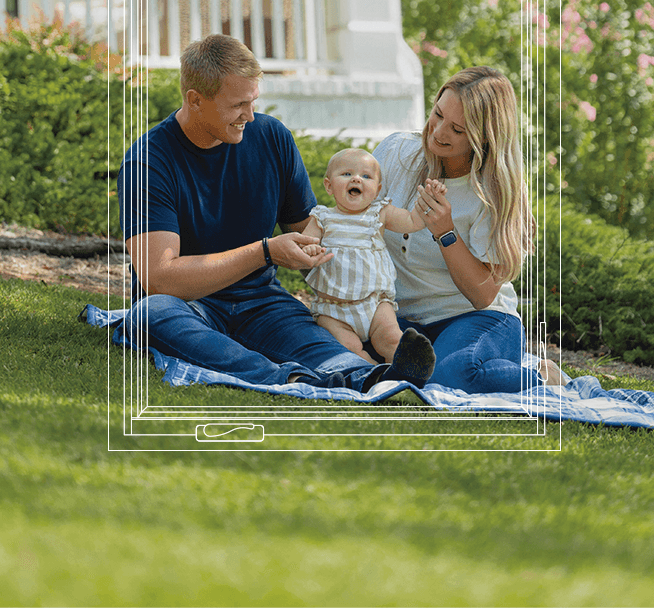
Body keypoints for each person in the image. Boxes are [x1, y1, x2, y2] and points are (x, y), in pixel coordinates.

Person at [116, 34, 435, 393]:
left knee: (324, 346)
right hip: (190, 307)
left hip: (263, 303)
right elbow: (159, 279)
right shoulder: (148, 163)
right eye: (238, 105)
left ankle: (371, 377)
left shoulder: (271, 138)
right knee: (151, 313)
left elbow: (307, 233)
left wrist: (353, 233)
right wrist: (264, 251)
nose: (249, 116)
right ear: (195, 100)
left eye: (253, 101)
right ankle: (286, 378)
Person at [372, 66, 568, 393]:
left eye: (458, 130)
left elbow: (483, 295)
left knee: (449, 378)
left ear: (484, 137)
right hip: (401, 320)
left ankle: (543, 376)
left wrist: (445, 232)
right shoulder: (396, 152)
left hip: (477, 320)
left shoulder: (495, 193)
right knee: (354, 353)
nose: (438, 132)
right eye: (437, 114)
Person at [300, 147, 440, 374]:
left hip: (374, 304)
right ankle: (374, 373)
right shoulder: (322, 217)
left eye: (366, 176)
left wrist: (429, 202)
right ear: (328, 185)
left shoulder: (379, 213)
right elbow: (304, 246)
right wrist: (311, 249)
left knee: (391, 338)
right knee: (348, 349)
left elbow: (413, 222)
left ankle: (408, 368)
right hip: (333, 309)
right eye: (346, 174)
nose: (356, 178)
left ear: (377, 190)